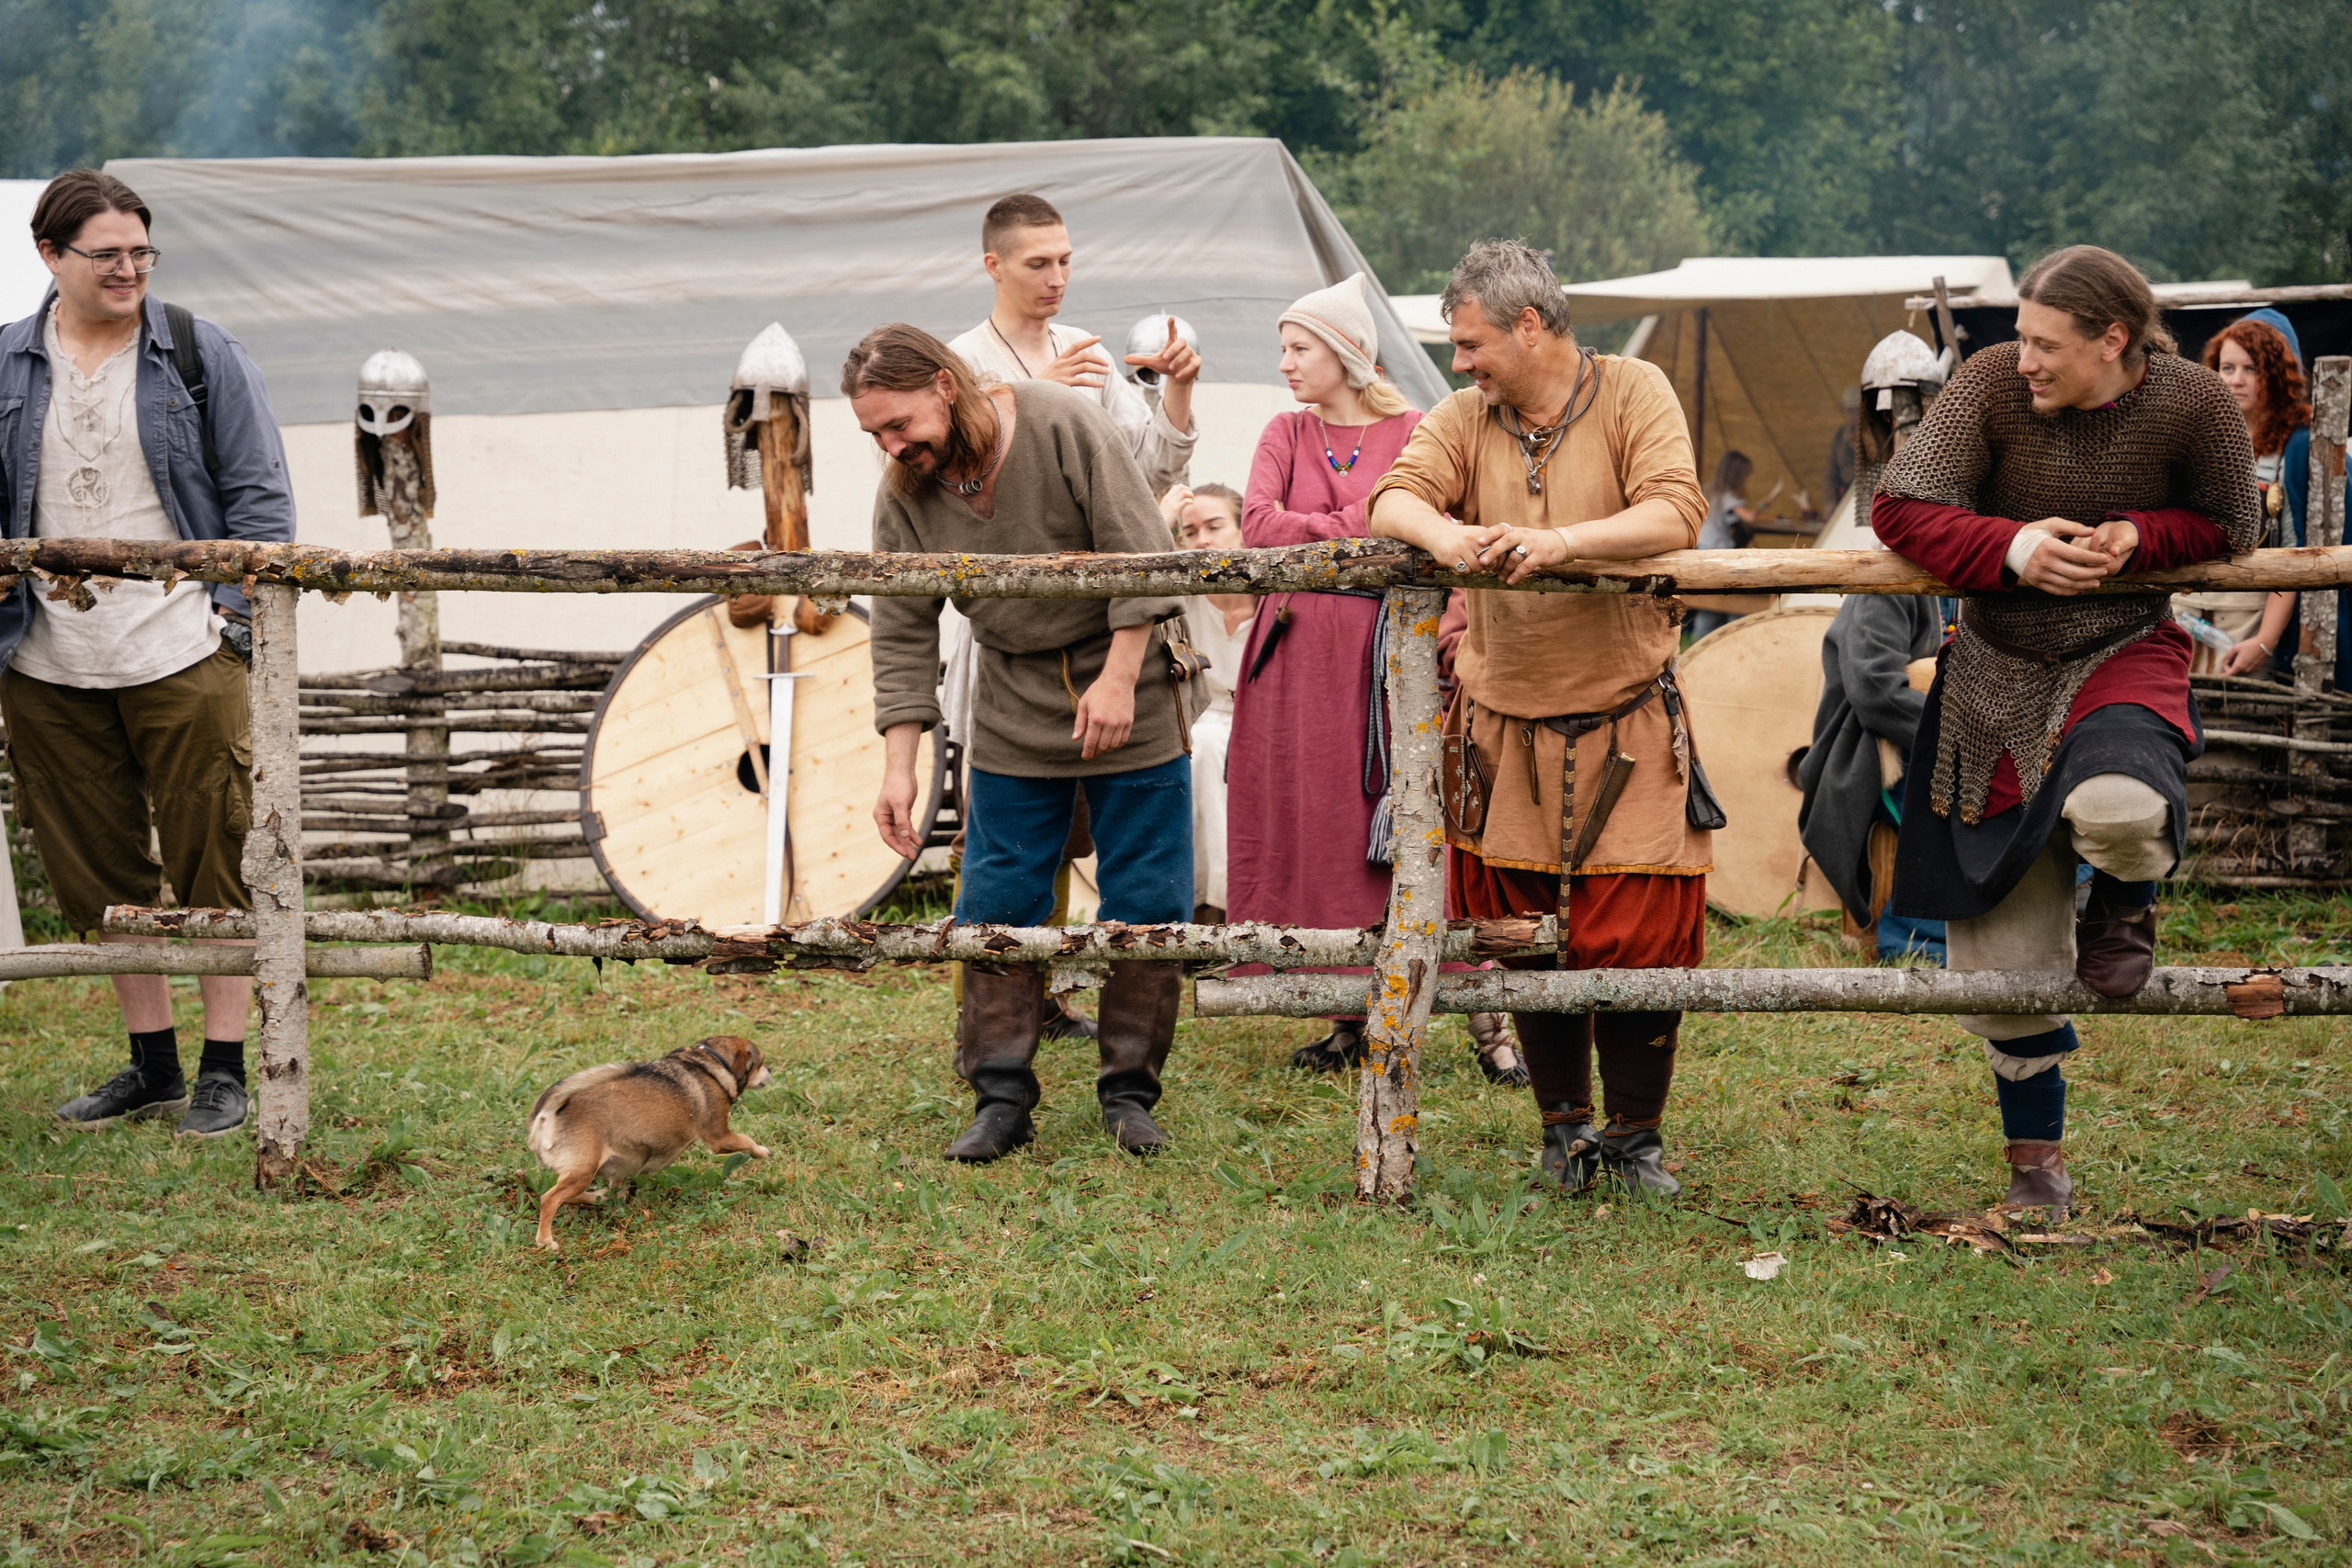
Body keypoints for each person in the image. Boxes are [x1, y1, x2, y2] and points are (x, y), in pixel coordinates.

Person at [1873, 245, 2260, 1220]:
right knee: (2001, 965)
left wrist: (2140, 535)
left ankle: (2122, 905)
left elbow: (2233, 520)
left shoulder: (2192, 401)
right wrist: (2012, 549)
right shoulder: (1988, 386)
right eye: (2022, 338)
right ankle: (2034, 1161)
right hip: (1994, 670)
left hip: (2121, 651)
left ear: (2114, 341)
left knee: (2125, 812)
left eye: (2047, 343)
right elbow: (1899, 504)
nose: (2025, 359)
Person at [1369, 241, 1711, 1196]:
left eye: (1472, 342)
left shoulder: (1634, 390)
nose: (1460, 362)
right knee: (1524, 937)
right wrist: (1451, 537)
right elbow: (1394, 494)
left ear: (1529, 325)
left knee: (1638, 943)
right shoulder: (1462, 417)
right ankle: (1563, 1137)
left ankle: (1634, 1141)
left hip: (1628, 722)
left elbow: (1675, 512)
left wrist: (1559, 543)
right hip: (1502, 730)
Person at [851, 323, 1195, 1162]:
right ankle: (1001, 1095)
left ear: (944, 384)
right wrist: (902, 767)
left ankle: (1129, 1092)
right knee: (997, 898)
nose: (893, 447)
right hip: (1012, 697)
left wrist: (1120, 679)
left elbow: (1142, 552)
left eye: (899, 424)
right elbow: (901, 629)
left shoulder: (1058, 421)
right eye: (875, 435)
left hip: (1134, 673)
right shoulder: (905, 490)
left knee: (1147, 896)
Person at [1, 169, 295, 1138]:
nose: (129, 269)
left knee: (216, 850)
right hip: (46, 658)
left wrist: (232, 625)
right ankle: (152, 1066)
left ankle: (222, 1069)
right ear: (52, 257)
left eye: (141, 251)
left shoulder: (203, 355)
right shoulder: (4, 364)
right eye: (107, 254)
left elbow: (260, 505)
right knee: (99, 870)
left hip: (182, 647)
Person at [1225, 273, 1424, 1072]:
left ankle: (1402, 993)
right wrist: (1354, 528)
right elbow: (1255, 530)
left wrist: (1313, 539)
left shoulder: (1415, 430)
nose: (1285, 364)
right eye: (1284, 348)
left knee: (1373, 814)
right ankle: (1339, 1009)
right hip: (1294, 658)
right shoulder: (1284, 431)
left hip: (1382, 658)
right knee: (1307, 814)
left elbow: (1413, 526)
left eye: (1299, 347)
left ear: (1346, 354)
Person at [947, 193, 1199, 497]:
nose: (1057, 279)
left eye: (1064, 261)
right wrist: (1029, 401)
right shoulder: (960, 362)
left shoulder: (1084, 349)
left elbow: (1147, 471)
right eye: (1038, 264)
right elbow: (960, 482)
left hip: (1094, 542)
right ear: (994, 266)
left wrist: (1179, 385)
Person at [1796, 592, 1955, 963]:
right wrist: (1963, 737)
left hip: (1948, 740)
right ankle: (1920, 942)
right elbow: (1876, 689)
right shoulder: (1885, 589)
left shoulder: (1974, 581)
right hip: (1874, 753)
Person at [2175, 312, 2310, 678]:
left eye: (2251, 369)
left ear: (2277, 376)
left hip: (2249, 625)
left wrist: (2264, 641)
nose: (2235, 380)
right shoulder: (2196, 438)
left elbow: (2297, 555)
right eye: (2227, 367)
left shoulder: (2296, 451)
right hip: (2180, 621)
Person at [1161, 482, 1252, 919]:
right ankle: (1209, 905)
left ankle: (1225, 904)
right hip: (1201, 718)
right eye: (1190, 531)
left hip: (1264, 720)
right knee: (1204, 749)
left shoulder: (1277, 597)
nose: (1203, 540)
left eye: (1215, 526)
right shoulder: (1185, 601)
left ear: (1243, 531)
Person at [1685, 450, 1764, 641]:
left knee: (1708, 605)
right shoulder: (1727, 497)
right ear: (1737, 475)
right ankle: (1729, 638)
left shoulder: (1706, 490)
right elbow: (1749, 518)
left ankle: (1696, 643)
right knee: (1731, 603)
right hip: (1719, 554)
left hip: (1700, 550)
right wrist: (1763, 505)